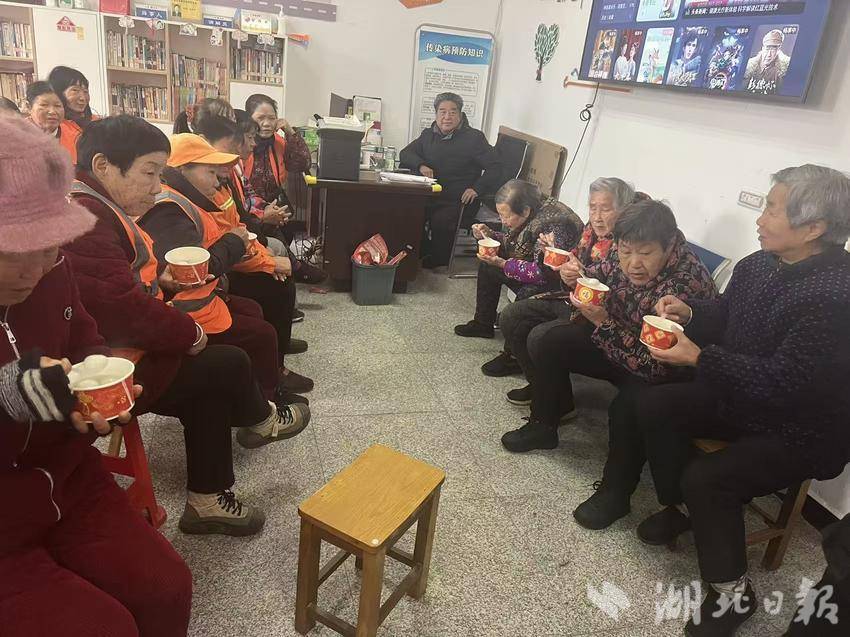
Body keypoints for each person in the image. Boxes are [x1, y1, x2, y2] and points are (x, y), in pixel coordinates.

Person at [611, 165, 850, 636]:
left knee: (708, 478)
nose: (759, 219)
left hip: (801, 427)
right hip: (742, 394)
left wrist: (700, 357)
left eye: (772, 209)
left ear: (814, 228)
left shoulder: (835, 297)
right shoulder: (759, 263)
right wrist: (689, 312)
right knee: (649, 404)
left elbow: (788, 383)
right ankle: (681, 508)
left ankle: (732, 593)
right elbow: (727, 313)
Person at [64, 115, 311, 536]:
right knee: (227, 361)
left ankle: (208, 499)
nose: (156, 186)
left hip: (120, 344)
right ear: (103, 165)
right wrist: (188, 333)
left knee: (216, 371)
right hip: (103, 374)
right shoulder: (86, 218)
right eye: (149, 173)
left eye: (160, 174)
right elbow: (121, 309)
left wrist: (162, 282)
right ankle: (261, 420)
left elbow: (119, 286)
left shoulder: (96, 204)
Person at [0, 115, 192, 636]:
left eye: (49, 246)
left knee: (166, 587)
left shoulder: (53, 268)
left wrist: (100, 383)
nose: (36, 269)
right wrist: (10, 394)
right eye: (15, 251)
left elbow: (84, 337)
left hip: (67, 476)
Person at [500, 199, 716, 453]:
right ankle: (543, 425)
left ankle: (619, 474)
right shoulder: (626, 244)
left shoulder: (683, 285)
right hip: (616, 337)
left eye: (645, 254)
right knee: (549, 340)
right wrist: (575, 275)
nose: (633, 263)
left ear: (669, 246)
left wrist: (602, 322)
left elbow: (655, 366)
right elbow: (599, 273)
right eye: (625, 251)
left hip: (658, 369)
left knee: (628, 405)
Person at [140, 132, 313, 395]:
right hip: (191, 311)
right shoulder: (170, 210)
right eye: (210, 171)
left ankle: (260, 381)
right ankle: (268, 399)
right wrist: (254, 254)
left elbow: (235, 230)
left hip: (213, 290)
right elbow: (200, 268)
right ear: (183, 170)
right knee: (264, 327)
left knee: (258, 304)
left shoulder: (196, 197)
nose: (217, 178)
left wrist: (259, 256)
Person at [485, 177, 637, 386]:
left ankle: (544, 388)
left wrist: (504, 263)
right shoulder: (590, 231)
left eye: (605, 209)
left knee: (536, 330)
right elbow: (569, 263)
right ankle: (537, 384)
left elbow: (543, 274)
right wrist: (560, 262)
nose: (597, 217)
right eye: (592, 208)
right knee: (510, 312)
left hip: (599, 311)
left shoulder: (628, 240)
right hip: (573, 295)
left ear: (624, 210)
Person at [453, 179, 583, 338]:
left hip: (557, 284)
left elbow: (541, 273)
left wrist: (503, 263)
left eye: (506, 216)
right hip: (537, 269)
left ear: (526, 211)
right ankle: (483, 324)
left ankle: (512, 347)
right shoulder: (532, 205)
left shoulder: (555, 224)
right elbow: (514, 242)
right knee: (488, 265)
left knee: (525, 296)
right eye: (500, 215)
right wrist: (489, 234)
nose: (502, 221)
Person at [400, 92, 502, 268]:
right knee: (408, 212)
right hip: (431, 195)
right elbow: (405, 153)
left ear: (460, 115)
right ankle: (423, 250)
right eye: (442, 112)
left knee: (440, 220)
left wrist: (477, 188)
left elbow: (496, 166)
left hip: (459, 200)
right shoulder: (428, 135)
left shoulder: (474, 138)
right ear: (436, 114)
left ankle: (439, 260)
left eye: (453, 112)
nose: (447, 117)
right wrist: (421, 165)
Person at [243, 93, 311, 205]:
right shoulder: (240, 144)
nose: (267, 124)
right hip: (246, 207)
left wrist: (290, 132)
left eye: (272, 118)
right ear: (249, 119)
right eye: (260, 118)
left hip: (273, 205)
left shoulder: (279, 143)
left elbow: (303, 165)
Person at [48, 66, 98, 160]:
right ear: (58, 93)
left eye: (85, 91)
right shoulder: (53, 127)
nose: (83, 98)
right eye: (75, 90)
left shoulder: (97, 121)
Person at [24, 81, 74, 157]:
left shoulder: (75, 137)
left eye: (57, 106)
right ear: (28, 107)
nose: (52, 111)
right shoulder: (15, 137)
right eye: (44, 105)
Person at [744, 29, 791, 94]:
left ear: (778, 50)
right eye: (767, 48)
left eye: (773, 49)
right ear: (762, 48)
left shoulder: (785, 69)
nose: (769, 54)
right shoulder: (748, 66)